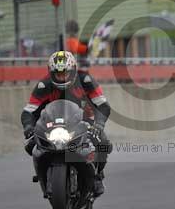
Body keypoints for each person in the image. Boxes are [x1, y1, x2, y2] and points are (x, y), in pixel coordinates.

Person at [21, 51, 112, 197]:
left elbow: (103, 105)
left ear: (74, 70)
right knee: (30, 145)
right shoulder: (44, 85)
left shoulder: (86, 80)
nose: (62, 77)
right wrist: (28, 127)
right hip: (53, 124)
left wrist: (99, 124)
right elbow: (28, 111)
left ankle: (98, 176)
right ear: (51, 73)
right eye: (58, 74)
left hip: (85, 121)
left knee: (104, 143)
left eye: (65, 73)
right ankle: (43, 175)